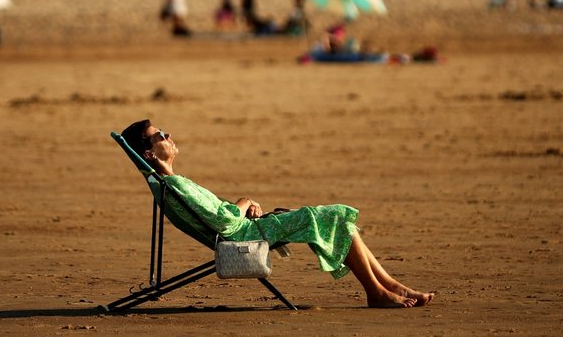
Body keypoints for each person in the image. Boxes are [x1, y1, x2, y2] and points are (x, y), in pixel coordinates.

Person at [121, 120, 435, 309]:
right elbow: (226, 221)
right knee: (335, 215)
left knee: (335, 219)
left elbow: (218, 216)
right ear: (149, 153)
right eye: (161, 135)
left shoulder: (168, 183)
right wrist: (244, 201)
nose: (168, 136)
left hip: (248, 228)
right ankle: (378, 291)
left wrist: (242, 209)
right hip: (246, 236)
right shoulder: (174, 184)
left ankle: (388, 286)